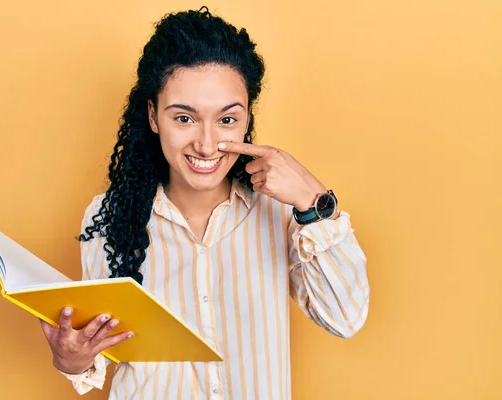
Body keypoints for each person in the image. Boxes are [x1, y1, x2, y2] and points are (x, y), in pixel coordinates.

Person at [40, 6, 370, 399]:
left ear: (247, 118)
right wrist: (72, 360)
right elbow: (100, 350)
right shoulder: (109, 215)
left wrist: (311, 199)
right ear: (153, 116)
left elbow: (345, 318)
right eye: (185, 119)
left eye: (227, 120)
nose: (207, 143)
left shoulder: (284, 212)